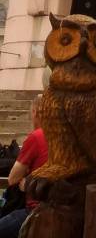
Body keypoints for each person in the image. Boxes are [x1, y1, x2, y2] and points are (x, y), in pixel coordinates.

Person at [0, 96, 48, 238]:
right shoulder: (61, 135)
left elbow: (13, 179)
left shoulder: (36, 136)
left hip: (35, 210)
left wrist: (26, 180)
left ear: (35, 112)